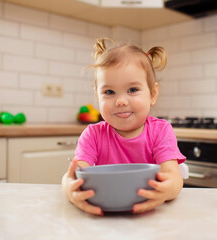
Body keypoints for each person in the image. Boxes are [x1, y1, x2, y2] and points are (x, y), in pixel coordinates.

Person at [62, 38, 185, 216]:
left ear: (153, 93)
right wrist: (69, 190)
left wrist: (165, 191)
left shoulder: (161, 131)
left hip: (149, 217)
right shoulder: (93, 134)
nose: (120, 101)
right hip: (104, 216)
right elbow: (73, 175)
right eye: (109, 92)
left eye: (132, 90)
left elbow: (173, 178)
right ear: (97, 95)